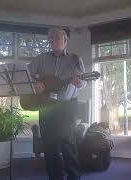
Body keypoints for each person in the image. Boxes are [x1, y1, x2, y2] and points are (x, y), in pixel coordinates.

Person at [28, 28, 86, 180]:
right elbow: (27, 74)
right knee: (49, 146)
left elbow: (83, 84)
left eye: (56, 38)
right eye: (50, 38)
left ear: (65, 41)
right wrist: (37, 84)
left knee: (68, 145)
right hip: (46, 106)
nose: (52, 40)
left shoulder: (75, 59)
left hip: (67, 107)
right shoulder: (41, 58)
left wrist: (80, 83)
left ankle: (74, 177)